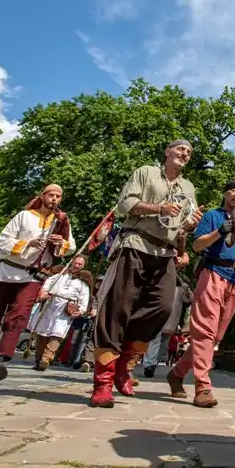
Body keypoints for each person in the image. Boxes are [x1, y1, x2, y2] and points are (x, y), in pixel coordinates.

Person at [89, 140, 203, 408]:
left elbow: (184, 224)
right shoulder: (146, 172)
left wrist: (190, 225)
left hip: (165, 254)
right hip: (136, 244)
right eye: (180, 149)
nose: (184, 154)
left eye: (188, 152)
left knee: (162, 308)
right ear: (167, 152)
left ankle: (124, 365)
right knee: (118, 308)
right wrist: (158, 208)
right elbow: (125, 204)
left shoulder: (188, 188)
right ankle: (103, 382)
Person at [166, 180, 235, 407]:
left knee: (216, 336)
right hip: (213, 272)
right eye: (233, 190)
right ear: (225, 193)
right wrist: (220, 231)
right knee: (204, 332)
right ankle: (203, 387)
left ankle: (177, 373)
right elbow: (197, 246)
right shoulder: (212, 216)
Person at [0, 185, 74, 384]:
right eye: (51, 195)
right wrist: (27, 244)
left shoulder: (61, 222)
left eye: (58, 196)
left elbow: (70, 246)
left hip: (31, 278)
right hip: (5, 273)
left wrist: (60, 244)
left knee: (18, 318)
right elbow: (3, 240)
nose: (54, 199)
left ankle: (1, 360)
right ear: (43, 196)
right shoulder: (24, 216)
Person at [30, 256, 92, 371]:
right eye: (76, 263)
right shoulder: (60, 274)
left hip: (65, 309)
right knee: (42, 332)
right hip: (50, 304)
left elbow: (84, 298)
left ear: (83, 266)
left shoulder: (83, 283)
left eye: (80, 264)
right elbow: (48, 283)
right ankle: (38, 360)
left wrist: (81, 310)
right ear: (72, 262)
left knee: (57, 333)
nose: (77, 266)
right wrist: (44, 291)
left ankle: (46, 359)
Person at [142, 273, 191, 378]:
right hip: (170, 320)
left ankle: (151, 364)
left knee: (157, 341)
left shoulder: (168, 285)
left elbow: (189, 300)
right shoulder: (181, 288)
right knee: (161, 342)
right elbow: (189, 301)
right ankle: (151, 364)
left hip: (162, 317)